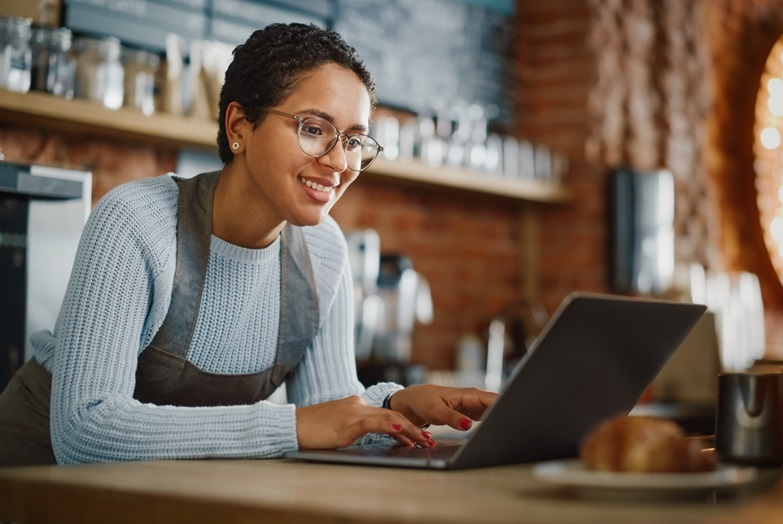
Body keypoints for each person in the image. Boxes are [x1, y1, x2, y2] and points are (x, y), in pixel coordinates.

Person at [0, 23, 497, 466]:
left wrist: (393, 408)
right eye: (313, 129)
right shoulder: (136, 223)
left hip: (168, 495)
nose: (340, 162)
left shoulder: (324, 251)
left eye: (352, 140)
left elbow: (330, 411)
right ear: (240, 126)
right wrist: (292, 425)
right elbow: (85, 432)